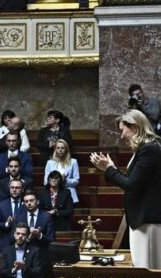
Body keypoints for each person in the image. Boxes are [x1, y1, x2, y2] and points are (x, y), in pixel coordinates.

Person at [91, 109, 161, 269]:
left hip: (148, 221)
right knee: (142, 271)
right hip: (142, 221)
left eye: (123, 130)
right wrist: (112, 169)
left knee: (147, 273)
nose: (121, 136)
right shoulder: (145, 149)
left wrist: (109, 169)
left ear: (135, 127)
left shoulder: (149, 150)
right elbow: (133, 182)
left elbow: (131, 185)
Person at [43, 139, 80, 205]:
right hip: (53, 195)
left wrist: (65, 180)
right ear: (55, 150)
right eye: (58, 148)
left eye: (62, 148)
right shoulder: (50, 163)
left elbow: (76, 181)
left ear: (66, 149)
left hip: (69, 194)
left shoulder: (73, 162)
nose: (60, 150)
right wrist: (55, 182)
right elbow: (46, 182)